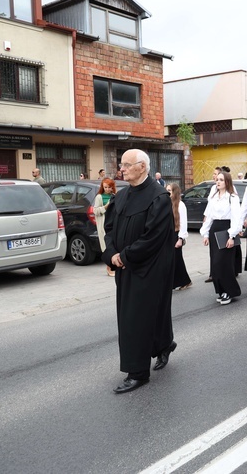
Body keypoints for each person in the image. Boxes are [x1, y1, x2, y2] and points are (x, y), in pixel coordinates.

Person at [102, 149, 176, 394]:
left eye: (126, 165)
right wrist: (112, 254)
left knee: (137, 318)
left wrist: (124, 256)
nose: (121, 169)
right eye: (121, 164)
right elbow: (109, 228)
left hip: (149, 268)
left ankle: (137, 372)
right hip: (126, 267)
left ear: (142, 167)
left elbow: (153, 237)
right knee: (137, 315)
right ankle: (164, 344)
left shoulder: (159, 197)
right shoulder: (121, 196)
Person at [200, 171, 242, 305]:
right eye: (217, 180)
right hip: (214, 230)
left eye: (221, 180)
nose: (218, 182)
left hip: (226, 230)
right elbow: (209, 217)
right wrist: (205, 234)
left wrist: (232, 236)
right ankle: (221, 291)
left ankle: (230, 291)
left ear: (227, 182)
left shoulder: (232, 198)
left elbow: (237, 218)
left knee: (224, 264)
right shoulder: (213, 197)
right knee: (215, 265)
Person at [169, 183, 192, 290]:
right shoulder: (168, 203)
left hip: (177, 235)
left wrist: (181, 238)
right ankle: (174, 282)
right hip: (168, 235)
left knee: (177, 259)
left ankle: (185, 281)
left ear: (175, 192)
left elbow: (183, 223)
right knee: (171, 260)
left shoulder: (180, 205)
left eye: (170, 190)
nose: (167, 192)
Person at [93, 178, 116, 277]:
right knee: (105, 246)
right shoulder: (99, 197)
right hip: (103, 224)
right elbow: (95, 211)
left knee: (113, 245)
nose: (107, 189)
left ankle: (112, 266)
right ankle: (108, 267)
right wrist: (106, 207)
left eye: (109, 187)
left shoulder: (114, 196)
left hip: (113, 223)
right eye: (105, 187)